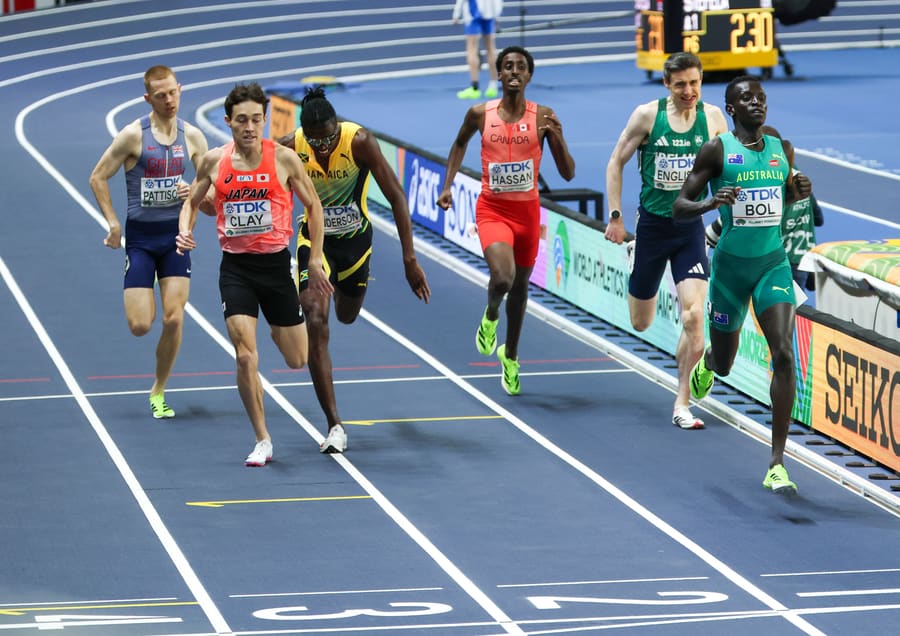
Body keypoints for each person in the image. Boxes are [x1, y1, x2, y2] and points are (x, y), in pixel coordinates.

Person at [176, 82, 333, 467]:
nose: (249, 127)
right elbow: (193, 202)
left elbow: (314, 207)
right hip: (237, 270)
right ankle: (262, 439)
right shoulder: (214, 161)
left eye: (256, 120)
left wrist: (315, 258)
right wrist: (185, 229)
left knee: (297, 358)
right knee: (246, 356)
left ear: (264, 120)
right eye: (242, 120)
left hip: (276, 268)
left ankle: (277, 330)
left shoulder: (283, 159)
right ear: (228, 122)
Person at [673, 75, 812, 495]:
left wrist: (797, 191)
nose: (757, 102)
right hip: (730, 272)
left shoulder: (780, 148)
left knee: (784, 354)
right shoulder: (718, 150)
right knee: (727, 361)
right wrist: (710, 203)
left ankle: (776, 462)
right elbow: (680, 207)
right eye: (746, 98)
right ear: (731, 109)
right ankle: (710, 364)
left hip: (773, 265)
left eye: (761, 97)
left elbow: (781, 200)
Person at [275, 87, 431, 454]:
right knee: (316, 319)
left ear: (337, 126)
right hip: (315, 245)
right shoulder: (289, 147)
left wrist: (410, 260)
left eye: (329, 136)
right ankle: (335, 426)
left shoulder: (359, 141)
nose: (324, 146)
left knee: (347, 314)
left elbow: (396, 196)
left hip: (356, 245)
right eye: (315, 141)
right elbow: (269, 195)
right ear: (303, 135)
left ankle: (348, 289)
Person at [437, 45, 575, 395]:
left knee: (521, 288)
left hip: (527, 213)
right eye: (508, 66)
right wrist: (447, 185)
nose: (514, 71)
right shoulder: (479, 114)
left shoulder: (542, 115)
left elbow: (568, 173)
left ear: (529, 76)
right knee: (502, 278)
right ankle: (490, 315)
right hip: (493, 209)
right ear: (498, 74)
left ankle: (510, 355)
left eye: (521, 67)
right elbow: (458, 145)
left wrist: (556, 135)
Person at [603, 52, 729, 430]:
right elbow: (615, 162)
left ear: (701, 81)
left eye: (694, 83)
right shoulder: (647, 116)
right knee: (641, 323)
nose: (688, 91)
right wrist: (615, 215)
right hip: (653, 228)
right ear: (666, 85)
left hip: (689, 229)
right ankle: (634, 254)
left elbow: (727, 171)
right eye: (680, 85)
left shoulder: (713, 119)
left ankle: (682, 404)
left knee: (694, 318)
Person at [89, 65, 210, 420]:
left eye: (173, 92)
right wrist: (113, 223)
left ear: (180, 89)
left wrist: (194, 194)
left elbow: (210, 187)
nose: (169, 100)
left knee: (173, 319)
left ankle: (158, 389)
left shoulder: (194, 137)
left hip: (175, 239)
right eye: (161, 95)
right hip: (141, 240)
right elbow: (97, 177)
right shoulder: (132, 136)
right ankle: (149, 279)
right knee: (141, 325)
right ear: (148, 98)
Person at [452, 0, 503, 99]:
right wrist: (497, 15)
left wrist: (456, 14)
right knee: (491, 48)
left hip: (473, 12)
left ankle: (475, 88)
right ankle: (493, 86)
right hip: (489, 12)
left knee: (472, 48)